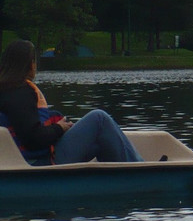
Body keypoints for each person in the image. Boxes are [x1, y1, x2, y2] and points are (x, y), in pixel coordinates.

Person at [0, 40, 143, 166]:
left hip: (27, 159)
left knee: (100, 140)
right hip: (40, 163)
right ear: (30, 64)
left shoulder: (7, 91)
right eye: (35, 61)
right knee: (99, 119)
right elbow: (33, 139)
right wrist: (59, 128)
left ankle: (120, 176)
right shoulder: (20, 92)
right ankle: (139, 171)